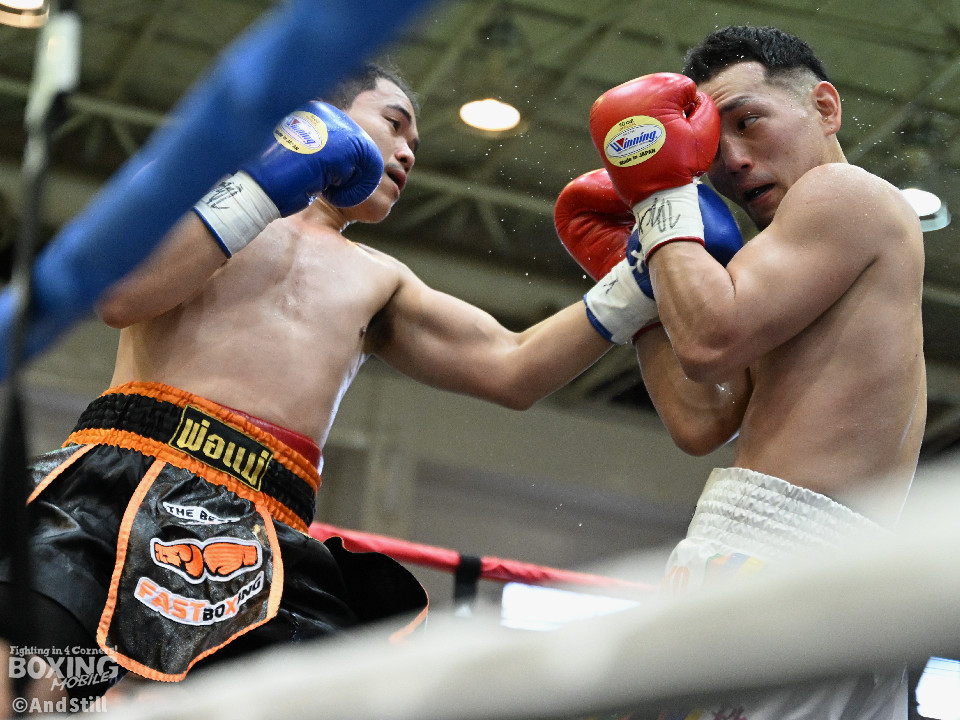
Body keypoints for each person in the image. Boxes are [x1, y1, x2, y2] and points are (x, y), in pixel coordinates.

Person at [0, 58, 710, 706]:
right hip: (115, 482)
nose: (407, 153)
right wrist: (264, 184)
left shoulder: (380, 280)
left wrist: (635, 280)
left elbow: (513, 364)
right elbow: (120, 296)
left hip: (257, 528)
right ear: (317, 112)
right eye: (394, 124)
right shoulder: (213, 200)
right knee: (35, 681)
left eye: (416, 145)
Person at [579, 25, 925, 720]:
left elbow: (709, 342)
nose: (731, 160)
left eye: (749, 121)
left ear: (824, 107)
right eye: (711, 145)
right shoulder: (782, 259)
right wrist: (642, 290)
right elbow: (702, 419)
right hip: (845, 578)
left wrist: (658, 195)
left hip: (775, 563)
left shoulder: (842, 193)